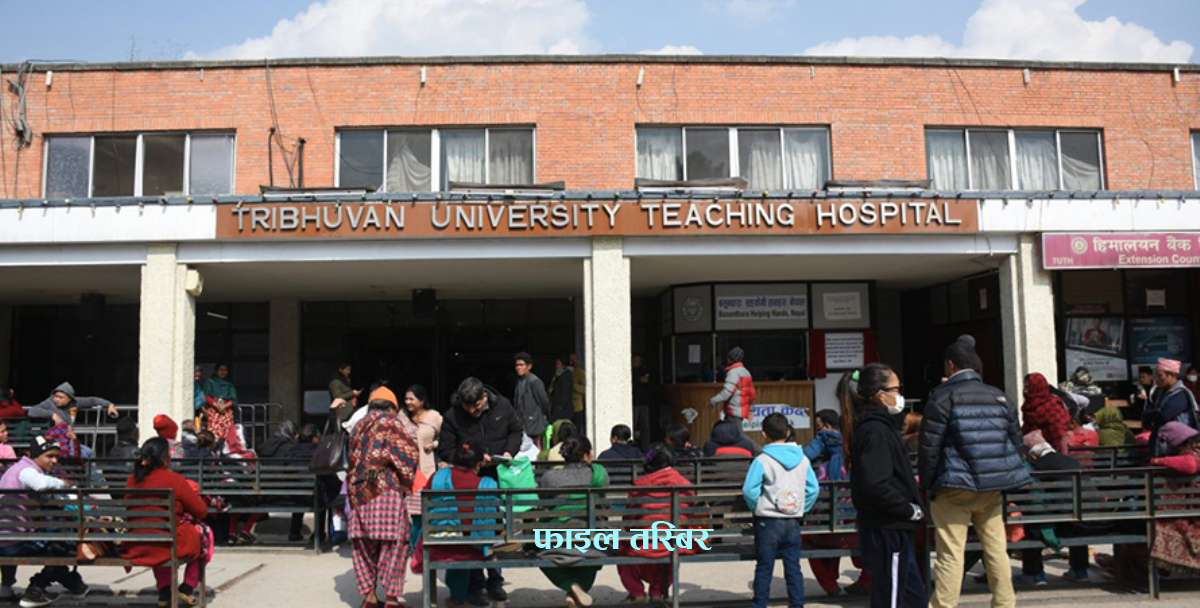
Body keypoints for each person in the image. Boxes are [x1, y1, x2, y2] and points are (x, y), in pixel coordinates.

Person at [920, 340, 1030, 608]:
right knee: (996, 549)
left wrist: (928, 484)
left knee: (950, 553)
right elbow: (1016, 443)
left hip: (953, 486)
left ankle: (943, 605)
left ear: (950, 365)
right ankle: (1004, 603)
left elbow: (929, 448)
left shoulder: (942, 397)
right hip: (992, 488)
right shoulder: (999, 396)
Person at [839, 364, 926, 607]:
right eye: (895, 389)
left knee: (913, 597)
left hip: (893, 527)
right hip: (888, 527)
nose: (899, 395)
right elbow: (875, 484)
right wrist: (908, 509)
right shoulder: (875, 431)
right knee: (892, 597)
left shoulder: (880, 427)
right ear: (880, 394)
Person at [438, 378, 522, 603]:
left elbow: (516, 431)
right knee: (473, 531)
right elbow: (445, 449)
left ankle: (495, 580)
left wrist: (508, 452)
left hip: (497, 476)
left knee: (496, 530)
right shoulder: (452, 416)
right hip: (469, 480)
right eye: (467, 407)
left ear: (484, 396)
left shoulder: (503, 406)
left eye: (476, 406)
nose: (472, 412)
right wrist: (471, 458)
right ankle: (475, 584)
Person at [346, 387, 420, 608]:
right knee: (394, 546)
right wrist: (406, 482)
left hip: (359, 492)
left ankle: (369, 597)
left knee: (363, 547)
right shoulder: (390, 422)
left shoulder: (358, 425)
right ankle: (391, 600)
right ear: (391, 408)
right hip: (385, 490)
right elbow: (408, 455)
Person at [0, 437, 91, 608]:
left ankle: (6, 591)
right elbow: (41, 485)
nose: (54, 461)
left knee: (55, 543)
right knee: (62, 548)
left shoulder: (16, 469)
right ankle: (37, 589)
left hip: (5, 538)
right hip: (17, 541)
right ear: (35, 455)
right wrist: (62, 483)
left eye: (56, 457)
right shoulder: (26, 471)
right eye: (49, 456)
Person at [122, 437, 211, 608]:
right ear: (165, 458)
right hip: (168, 544)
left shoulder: (132, 480)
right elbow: (201, 511)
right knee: (204, 534)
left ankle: (165, 590)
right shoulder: (175, 479)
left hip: (137, 544)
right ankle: (187, 587)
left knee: (158, 533)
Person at [742, 412, 818, 608]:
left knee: (764, 567)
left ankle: (759, 604)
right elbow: (813, 489)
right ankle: (797, 604)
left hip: (767, 520)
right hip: (792, 520)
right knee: (793, 566)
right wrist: (802, 508)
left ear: (764, 434)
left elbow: (749, 490)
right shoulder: (803, 459)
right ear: (787, 432)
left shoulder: (762, 460)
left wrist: (756, 506)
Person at [618, 443, 696, 605]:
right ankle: (657, 592)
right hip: (676, 543)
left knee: (622, 548)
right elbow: (688, 515)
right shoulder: (685, 484)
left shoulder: (640, 485)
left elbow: (629, 520)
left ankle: (636, 593)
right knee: (669, 549)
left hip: (645, 543)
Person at [536, 435, 608, 608]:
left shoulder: (550, 477)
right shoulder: (599, 475)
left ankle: (571, 586)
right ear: (585, 455)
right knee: (595, 553)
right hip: (593, 542)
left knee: (537, 552)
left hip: (556, 542)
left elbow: (543, 500)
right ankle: (578, 587)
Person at [426, 441, 499, 608]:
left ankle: (457, 598)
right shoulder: (487, 484)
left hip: (440, 542)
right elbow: (496, 518)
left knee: (451, 540)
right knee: (464, 545)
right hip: (477, 546)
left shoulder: (437, 477)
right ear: (478, 463)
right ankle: (458, 597)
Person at [403, 384, 442, 562]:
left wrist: (434, 445)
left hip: (426, 471)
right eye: (406, 399)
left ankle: (422, 548)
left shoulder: (434, 417)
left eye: (412, 399)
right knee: (413, 514)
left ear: (422, 400)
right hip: (407, 474)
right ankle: (414, 549)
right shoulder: (402, 417)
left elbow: (446, 438)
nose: (408, 402)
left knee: (425, 513)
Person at [1143, 358, 1200, 457]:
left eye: (1160, 375)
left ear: (1172, 375)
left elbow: (1164, 415)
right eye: (1156, 375)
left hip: (1178, 448)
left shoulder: (1180, 394)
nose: (1157, 379)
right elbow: (1148, 411)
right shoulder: (1160, 393)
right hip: (1161, 446)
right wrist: (1150, 414)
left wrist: (1151, 414)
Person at [27, 382, 118, 427]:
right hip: (55, 438)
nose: (57, 399)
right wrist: (52, 414)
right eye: (56, 396)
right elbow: (32, 411)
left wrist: (109, 405)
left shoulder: (75, 403)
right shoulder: (49, 403)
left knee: (88, 452)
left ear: (69, 398)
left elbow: (92, 400)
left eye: (61, 397)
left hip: (69, 436)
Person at [1021, 372, 1071, 454]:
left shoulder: (1052, 406)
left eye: (1028, 388)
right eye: (1024, 387)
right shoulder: (1028, 408)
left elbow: (1059, 433)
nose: (1025, 391)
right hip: (1032, 453)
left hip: (1052, 452)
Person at [708, 347, 756, 426]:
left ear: (730, 359)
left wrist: (713, 400)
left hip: (733, 410)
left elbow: (727, 392)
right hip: (741, 411)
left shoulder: (733, 372)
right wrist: (750, 409)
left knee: (734, 432)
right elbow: (752, 394)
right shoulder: (746, 372)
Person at [512, 352, 551, 444]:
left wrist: (544, 416)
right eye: (517, 365)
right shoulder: (519, 381)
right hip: (522, 423)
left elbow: (543, 402)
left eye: (521, 365)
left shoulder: (534, 381)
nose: (518, 368)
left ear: (529, 366)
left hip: (533, 424)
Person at [202, 364, 239, 445]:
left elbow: (234, 399)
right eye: (221, 370)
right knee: (214, 434)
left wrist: (225, 406)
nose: (223, 372)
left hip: (226, 412)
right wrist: (216, 405)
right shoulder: (210, 382)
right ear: (216, 371)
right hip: (214, 412)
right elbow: (206, 396)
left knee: (227, 435)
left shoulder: (230, 384)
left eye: (225, 370)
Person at [548, 355, 575, 425]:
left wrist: (560, 406)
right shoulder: (558, 375)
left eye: (558, 364)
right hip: (558, 407)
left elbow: (566, 392)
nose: (556, 366)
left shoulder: (566, 375)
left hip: (563, 408)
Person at [631, 369, 654, 451]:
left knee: (645, 427)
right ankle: (631, 446)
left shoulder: (643, 370)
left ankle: (645, 447)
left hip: (644, 402)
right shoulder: (631, 372)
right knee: (632, 425)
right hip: (634, 403)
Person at [570, 353, 586, 433]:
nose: (572, 362)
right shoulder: (566, 371)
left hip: (577, 406)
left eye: (573, 359)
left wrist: (573, 385)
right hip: (567, 405)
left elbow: (584, 388)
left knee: (577, 428)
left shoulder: (579, 372)